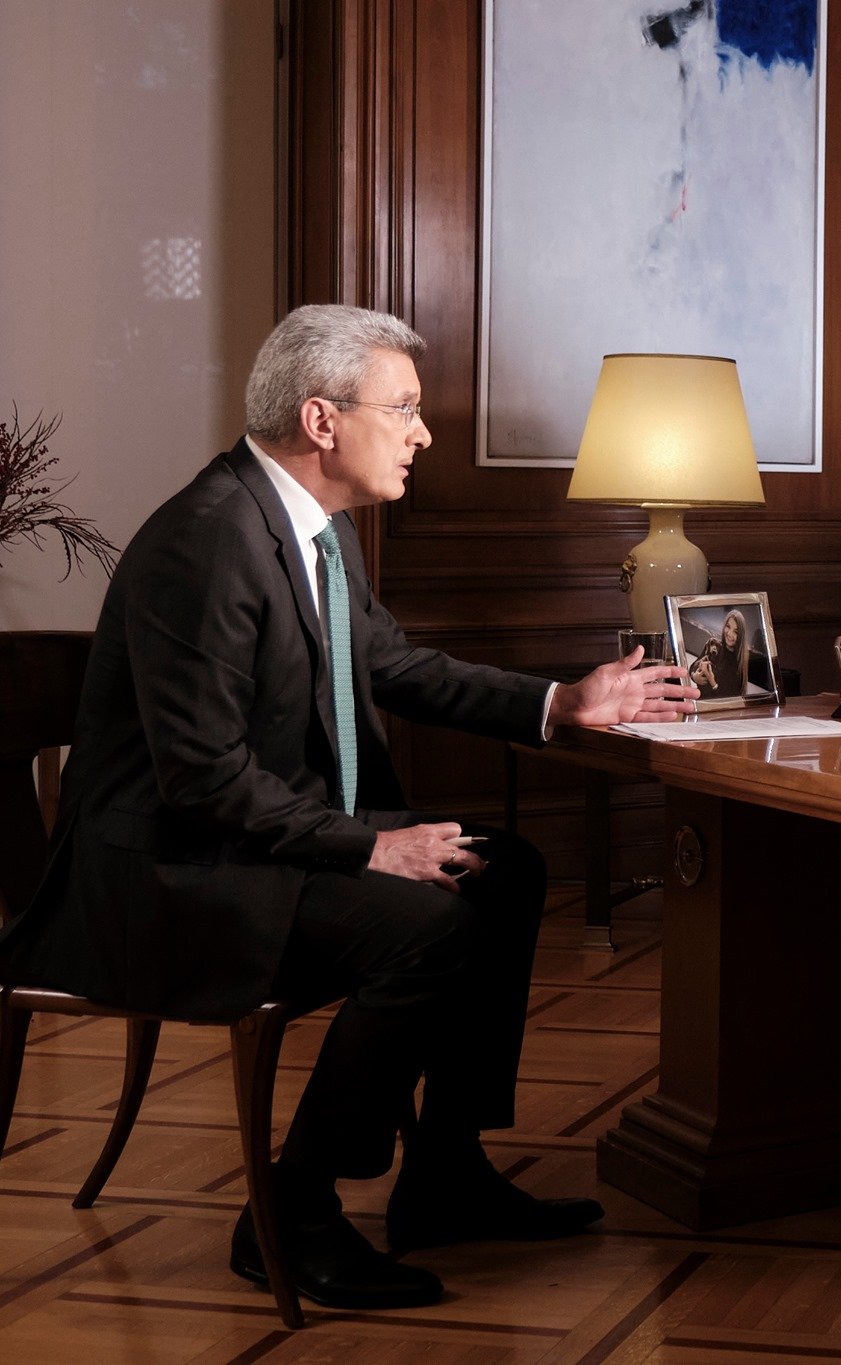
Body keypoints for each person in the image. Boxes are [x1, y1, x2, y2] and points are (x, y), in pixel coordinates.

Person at [0, 305, 696, 1311]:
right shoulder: (207, 541)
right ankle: (289, 1209)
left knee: (507, 873)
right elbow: (204, 781)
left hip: (246, 842)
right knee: (428, 930)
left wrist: (560, 702)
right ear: (321, 421)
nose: (423, 433)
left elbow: (396, 665)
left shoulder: (317, 530)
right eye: (402, 409)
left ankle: (445, 1174)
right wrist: (368, 848)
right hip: (167, 876)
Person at [689, 609, 749, 698]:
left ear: (741, 635)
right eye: (728, 626)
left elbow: (731, 698)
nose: (730, 633)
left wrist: (712, 681)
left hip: (717, 706)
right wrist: (694, 677)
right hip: (699, 702)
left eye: (736, 632)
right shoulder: (712, 644)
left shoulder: (738, 662)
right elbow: (693, 667)